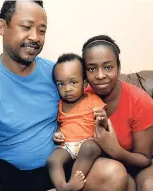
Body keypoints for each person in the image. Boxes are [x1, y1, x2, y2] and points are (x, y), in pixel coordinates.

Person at [0, 1, 137, 191]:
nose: (35, 37)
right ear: (2, 27)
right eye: (26, 27)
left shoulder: (55, 73)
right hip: (8, 174)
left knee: (114, 173)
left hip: (57, 169)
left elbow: (83, 99)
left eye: (41, 30)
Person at [82, 34, 153, 191]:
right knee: (117, 176)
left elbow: (145, 160)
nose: (100, 76)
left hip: (137, 165)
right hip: (106, 168)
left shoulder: (141, 101)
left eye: (108, 67)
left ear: (118, 67)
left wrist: (114, 149)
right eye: (92, 69)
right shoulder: (81, 99)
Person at [47, 53, 107, 191]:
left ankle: (74, 181)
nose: (67, 89)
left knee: (89, 147)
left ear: (84, 83)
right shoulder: (61, 105)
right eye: (61, 84)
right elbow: (60, 126)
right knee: (52, 160)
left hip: (88, 141)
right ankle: (62, 187)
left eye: (73, 82)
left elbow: (104, 127)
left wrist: (103, 118)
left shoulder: (93, 100)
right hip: (67, 145)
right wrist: (58, 135)